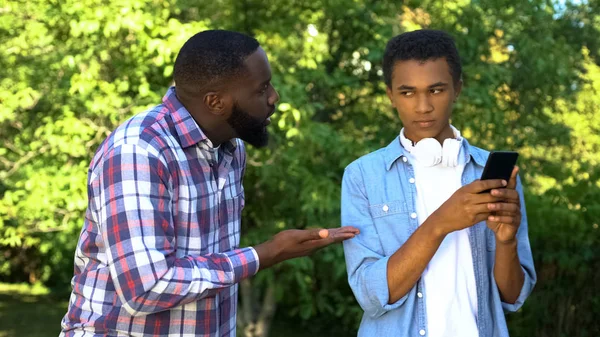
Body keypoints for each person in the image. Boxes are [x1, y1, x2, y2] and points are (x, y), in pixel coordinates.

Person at [59, 30, 359, 337]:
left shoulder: (230, 147)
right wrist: (266, 254)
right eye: (261, 89)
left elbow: (211, 267)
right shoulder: (138, 151)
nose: (274, 97)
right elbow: (145, 287)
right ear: (216, 102)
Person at [341, 29, 535, 337]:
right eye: (407, 92)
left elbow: (513, 298)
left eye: (436, 90)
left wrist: (506, 242)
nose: (422, 107)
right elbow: (371, 296)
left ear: (457, 88)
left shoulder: (492, 172)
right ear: (390, 95)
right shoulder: (362, 176)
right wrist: (441, 222)